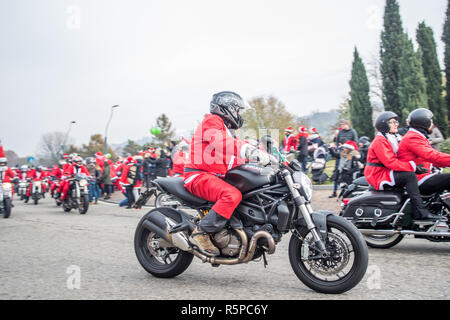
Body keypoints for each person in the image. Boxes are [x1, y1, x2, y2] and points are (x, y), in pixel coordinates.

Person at [183, 91, 273, 257]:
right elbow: (222, 142)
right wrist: (249, 151)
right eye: (238, 110)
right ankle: (201, 233)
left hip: (216, 176)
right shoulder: (211, 121)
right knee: (231, 195)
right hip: (198, 175)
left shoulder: (229, 131)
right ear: (227, 108)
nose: (240, 115)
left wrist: (266, 155)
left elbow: (237, 147)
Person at [364, 111, 439, 221]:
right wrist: (413, 167)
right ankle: (420, 212)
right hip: (378, 174)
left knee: (412, 175)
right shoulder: (379, 141)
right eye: (392, 122)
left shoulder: (392, 137)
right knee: (409, 176)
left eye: (396, 122)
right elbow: (391, 162)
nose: (396, 124)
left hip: (386, 171)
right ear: (384, 124)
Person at [397, 108, 450, 196]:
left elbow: (432, 159)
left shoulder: (417, 136)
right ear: (425, 122)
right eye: (431, 122)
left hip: (421, 176)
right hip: (418, 180)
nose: (432, 125)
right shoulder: (412, 137)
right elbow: (432, 156)